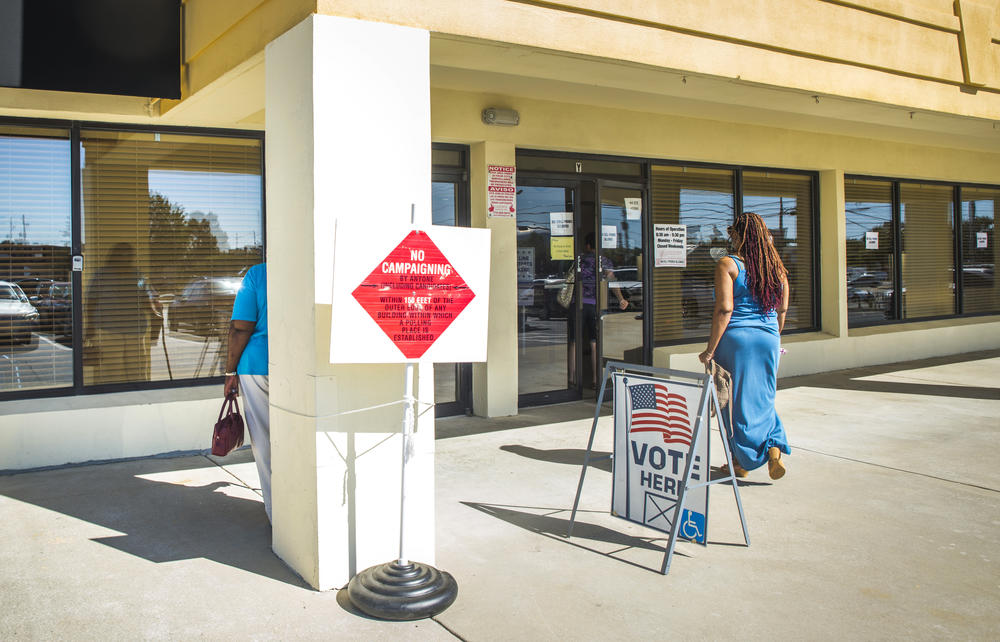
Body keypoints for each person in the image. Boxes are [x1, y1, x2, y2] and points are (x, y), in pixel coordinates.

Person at [698, 212, 790, 480]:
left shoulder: (728, 264)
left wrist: (710, 349)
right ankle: (773, 444)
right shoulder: (776, 267)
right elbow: (782, 308)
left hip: (737, 339)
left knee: (733, 400)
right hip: (769, 337)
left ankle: (741, 461)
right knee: (762, 396)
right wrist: (772, 334)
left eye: (732, 235)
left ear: (738, 236)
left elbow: (725, 309)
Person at [223, 263, 271, 522]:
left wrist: (230, 372)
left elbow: (240, 327)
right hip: (298, 364)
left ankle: (277, 515)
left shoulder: (257, 274)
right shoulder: (307, 264)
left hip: (258, 367)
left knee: (264, 441)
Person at [85, 242, 161, 383]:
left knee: (138, 373)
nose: (125, 258)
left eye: (128, 255)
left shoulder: (138, 276)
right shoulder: (101, 275)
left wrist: (154, 313)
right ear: (114, 256)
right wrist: (90, 326)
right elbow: (91, 301)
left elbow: (144, 297)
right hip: (109, 331)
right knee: (111, 374)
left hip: (135, 332)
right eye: (121, 255)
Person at [569, 232, 628, 388]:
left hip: (579, 304)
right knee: (595, 343)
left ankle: (572, 378)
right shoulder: (605, 261)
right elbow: (612, 280)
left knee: (574, 341)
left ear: (588, 246)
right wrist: (621, 299)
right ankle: (596, 379)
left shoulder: (579, 259)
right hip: (596, 305)